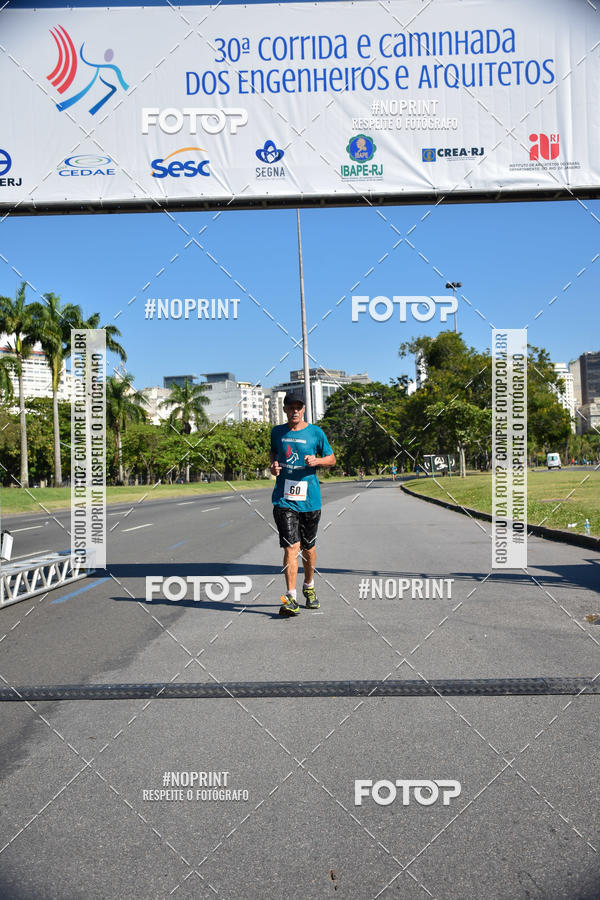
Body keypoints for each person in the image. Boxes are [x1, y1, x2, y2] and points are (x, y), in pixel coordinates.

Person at [270, 392, 336, 616]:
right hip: (284, 499)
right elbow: (274, 454)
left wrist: (317, 460)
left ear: (304, 409)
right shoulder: (277, 432)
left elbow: (332, 459)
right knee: (291, 547)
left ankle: (309, 586)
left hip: (310, 499)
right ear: (285, 409)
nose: (295, 411)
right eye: (291, 407)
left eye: (299, 407)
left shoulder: (316, 432)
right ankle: (291, 597)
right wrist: (274, 467)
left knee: (308, 549)